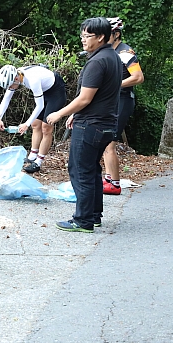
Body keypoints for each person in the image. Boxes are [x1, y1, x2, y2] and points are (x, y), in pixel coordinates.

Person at [46, 17, 122, 233]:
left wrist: (59, 113)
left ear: (100, 37)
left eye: (87, 36)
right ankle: (94, 215)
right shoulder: (112, 57)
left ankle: (83, 220)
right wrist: (75, 114)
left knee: (80, 171)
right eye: (82, 36)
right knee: (92, 169)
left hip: (91, 125)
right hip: (106, 123)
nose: (83, 40)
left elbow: (85, 98)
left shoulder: (97, 62)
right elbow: (101, 96)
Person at [0, 64, 67, 173]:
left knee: (46, 127)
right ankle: (33, 155)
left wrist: (26, 124)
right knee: (35, 124)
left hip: (56, 91)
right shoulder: (16, 76)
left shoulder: (32, 79)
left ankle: (38, 162)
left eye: (10, 86)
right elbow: (7, 98)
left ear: (16, 78)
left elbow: (40, 106)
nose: (10, 89)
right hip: (44, 91)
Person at [101, 17, 144, 195]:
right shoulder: (108, 51)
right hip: (112, 100)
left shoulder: (125, 52)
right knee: (104, 140)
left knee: (109, 140)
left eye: (106, 34)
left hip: (123, 99)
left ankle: (115, 183)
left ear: (116, 34)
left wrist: (115, 84)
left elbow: (138, 77)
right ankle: (109, 177)